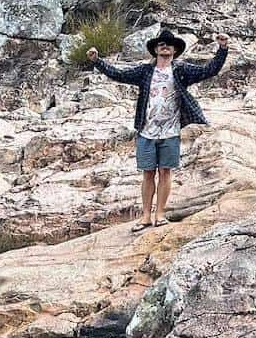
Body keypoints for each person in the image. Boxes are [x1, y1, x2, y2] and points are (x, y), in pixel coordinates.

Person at [88, 28, 230, 231]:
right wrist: (97, 61)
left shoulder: (181, 70)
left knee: (165, 172)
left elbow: (209, 70)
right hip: (146, 131)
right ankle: (145, 216)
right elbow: (119, 74)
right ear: (155, 49)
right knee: (147, 173)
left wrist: (223, 49)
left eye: (169, 44)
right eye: (161, 44)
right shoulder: (145, 71)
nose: (165, 46)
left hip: (170, 131)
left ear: (174, 50)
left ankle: (160, 214)